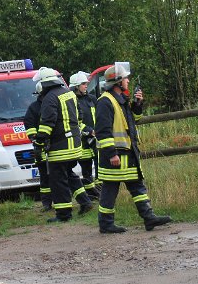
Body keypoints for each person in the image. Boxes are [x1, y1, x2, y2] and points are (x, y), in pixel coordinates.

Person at [95, 63, 172, 233]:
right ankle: (106, 224)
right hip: (115, 156)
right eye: (125, 78)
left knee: (137, 186)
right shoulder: (105, 102)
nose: (128, 81)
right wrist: (111, 154)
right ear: (117, 82)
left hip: (128, 153)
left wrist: (138, 104)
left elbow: (134, 119)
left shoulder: (121, 100)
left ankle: (148, 218)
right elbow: (102, 131)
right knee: (110, 189)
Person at [32, 67, 94, 222]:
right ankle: (85, 202)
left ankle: (63, 214)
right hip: (75, 144)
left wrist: (39, 142)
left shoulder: (49, 98)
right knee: (69, 174)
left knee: (57, 180)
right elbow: (80, 116)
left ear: (44, 83)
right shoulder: (69, 94)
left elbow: (47, 124)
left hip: (60, 148)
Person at [69, 71, 99, 201]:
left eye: (86, 83)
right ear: (76, 86)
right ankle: (91, 194)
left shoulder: (91, 99)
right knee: (86, 169)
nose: (86, 85)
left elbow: (100, 115)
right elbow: (74, 122)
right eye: (83, 84)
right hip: (82, 141)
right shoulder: (72, 101)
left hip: (96, 140)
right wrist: (88, 131)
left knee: (100, 167)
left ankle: (100, 191)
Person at [24, 83, 52, 211]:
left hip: (55, 146)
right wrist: (36, 140)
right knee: (44, 177)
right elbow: (29, 126)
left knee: (57, 176)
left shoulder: (52, 104)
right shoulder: (34, 108)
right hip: (40, 147)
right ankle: (46, 203)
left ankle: (59, 200)